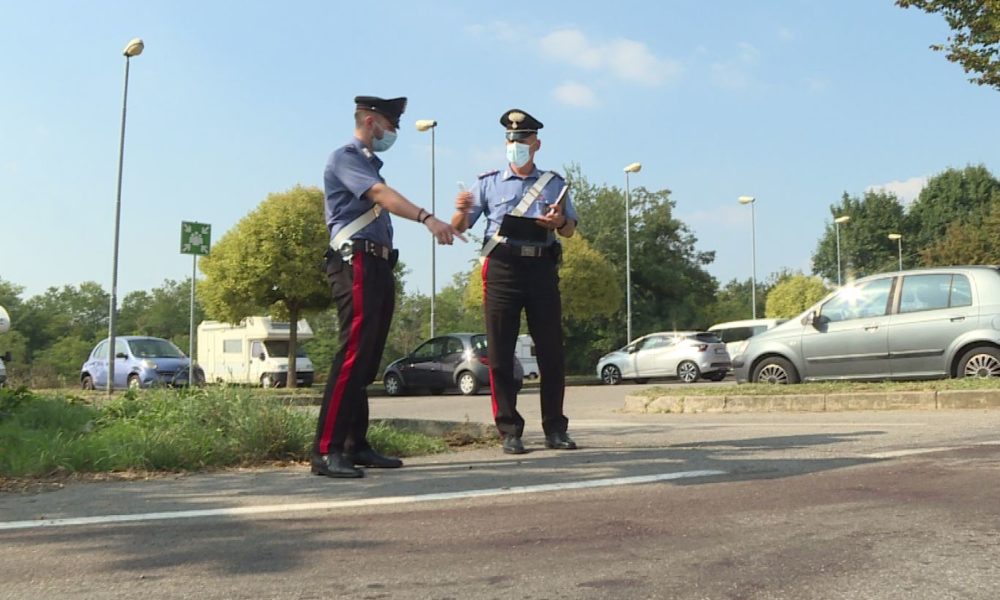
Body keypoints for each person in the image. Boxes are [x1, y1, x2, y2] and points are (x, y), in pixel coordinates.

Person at [313, 95, 464, 478]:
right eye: (390, 126)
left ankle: (354, 445)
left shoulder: (370, 165)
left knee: (366, 360)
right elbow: (379, 196)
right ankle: (327, 448)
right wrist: (428, 218)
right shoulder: (345, 157)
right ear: (370, 121)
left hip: (378, 263)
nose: (392, 133)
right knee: (352, 355)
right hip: (356, 261)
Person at [450, 108, 578, 454]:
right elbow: (460, 227)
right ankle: (509, 429)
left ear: (535, 143)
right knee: (500, 352)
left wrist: (558, 220)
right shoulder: (487, 182)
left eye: (522, 139)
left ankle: (555, 428)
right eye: (510, 139)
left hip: (541, 268)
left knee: (551, 351)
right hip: (503, 267)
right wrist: (461, 209)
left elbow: (569, 229)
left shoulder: (553, 183)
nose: (515, 144)